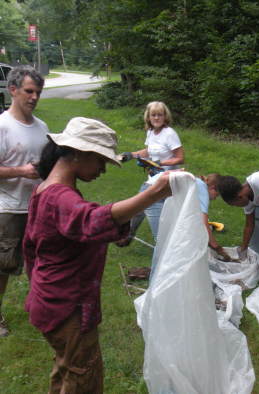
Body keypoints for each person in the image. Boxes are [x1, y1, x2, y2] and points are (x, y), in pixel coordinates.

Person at [23, 117, 173, 393]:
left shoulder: (44, 190)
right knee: (83, 379)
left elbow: (31, 248)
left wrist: (38, 287)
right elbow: (93, 220)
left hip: (49, 299)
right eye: (101, 160)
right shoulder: (60, 197)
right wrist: (152, 195)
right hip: (68, 307)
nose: (103, 169)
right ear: (79, 153)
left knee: (66, 369)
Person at [0, 65, 48, 337]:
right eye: (29, 91)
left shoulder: (42, 127)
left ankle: (40, 310)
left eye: (38, 92)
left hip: (38, 208)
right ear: (13, 90)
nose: (34, 97)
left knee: (39, 262)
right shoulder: (2, 126)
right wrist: (21, 171)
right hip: (8, 208)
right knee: (3, 266)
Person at [118, 101, 183, 244]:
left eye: (160, 115)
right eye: (153, 115)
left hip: (166, 181)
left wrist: (160, 163)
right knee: (140, 205)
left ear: (165, 117)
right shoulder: (151, 132)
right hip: (154, 177)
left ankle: (160, 244)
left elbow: (180, 158)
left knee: (143, 205)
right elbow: (148, 151)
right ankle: (127, 236)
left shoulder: (170, 134)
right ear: (148, 117)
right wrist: (131, 155)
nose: (157, 118)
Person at [196, 173, 232, 261]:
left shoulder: (199, 185)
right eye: (217, 194)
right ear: (212, 187)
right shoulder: (203, 190)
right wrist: (217, 248)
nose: (216, 198)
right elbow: (204, 223)